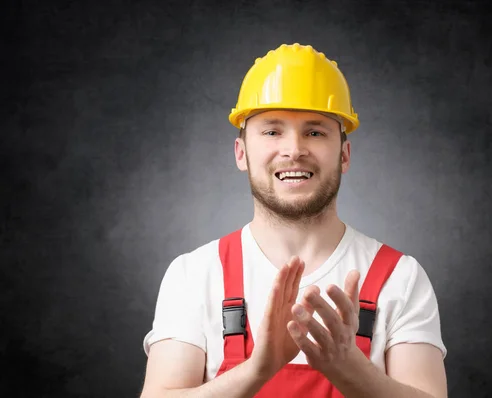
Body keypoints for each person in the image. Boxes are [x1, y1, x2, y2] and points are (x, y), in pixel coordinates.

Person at [140, 43, 448, 398]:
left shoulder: (400, 277)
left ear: (344, 155)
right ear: (241, 153)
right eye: (272, 131)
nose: (294, 149)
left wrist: (349, 370)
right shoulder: (194, 275)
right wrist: (259, 369)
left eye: (315, 132)